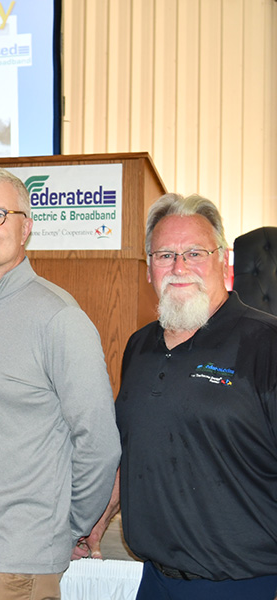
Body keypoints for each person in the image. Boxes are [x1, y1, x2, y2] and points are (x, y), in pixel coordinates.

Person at [0, 166, 121, 600]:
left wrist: (66, 528)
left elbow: (98, 443)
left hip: (15, 567)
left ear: (26, 227)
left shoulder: (58, 318)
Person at [80, 193, 277, 599]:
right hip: (155, 581)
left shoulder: (266, 343)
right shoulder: (138, 346)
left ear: (224, 261)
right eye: (165, 255)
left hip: (246, 585)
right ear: (149, 268)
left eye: (195, 253)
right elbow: (134, 450)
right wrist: (97, 519)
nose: (179, 267)